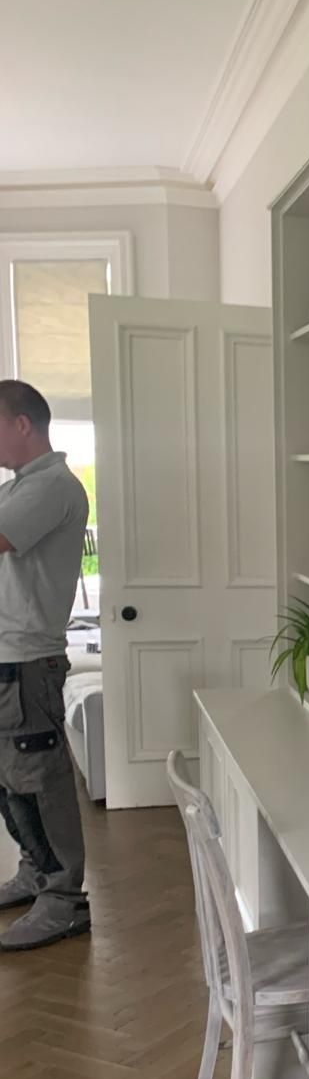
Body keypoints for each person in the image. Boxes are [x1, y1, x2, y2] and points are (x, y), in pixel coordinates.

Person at [0, 380, 90, 949]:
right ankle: (36, 872)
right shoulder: (19, 487)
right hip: (8, 659)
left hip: (28, 663)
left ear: (22, 424)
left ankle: (65, 899)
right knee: (10, 782)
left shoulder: (54, 485)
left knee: (41, 780)